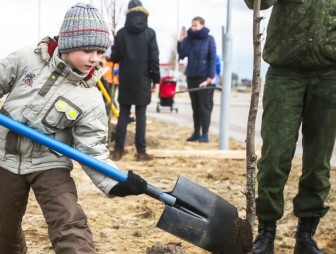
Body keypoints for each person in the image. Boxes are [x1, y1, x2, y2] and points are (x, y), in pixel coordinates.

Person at [0, 3, 147, 253]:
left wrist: (116, 183)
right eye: (88, 49)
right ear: (67, 44)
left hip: (49, 163)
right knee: (3, 227)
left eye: (100, 51)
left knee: (68, 220)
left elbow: (93, 150)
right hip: (4, 158)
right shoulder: (27, 60)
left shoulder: (89, 98)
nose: (95, 58)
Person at [244, 1, 336, 254]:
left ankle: (306, 235)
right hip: (285, 74)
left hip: (330, 74)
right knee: (275, 156)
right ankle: (267, 233)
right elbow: (257, 3)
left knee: (318, 162)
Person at [110, 0, 160, 162]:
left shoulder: (121, 33)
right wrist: (156, 80)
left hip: (126, 79)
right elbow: (154, 58)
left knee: (123, 115)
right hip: (143, 79)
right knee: (141, 115)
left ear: (128, 12)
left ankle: (118, 151)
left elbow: (115, 57)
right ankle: (141, 152)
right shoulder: (150, 33)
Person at [177, 16, 217, 143]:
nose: (193, 28)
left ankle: (205, 133)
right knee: (195, 107)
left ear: (202, 25)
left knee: (204, 107)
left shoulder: (209, 39)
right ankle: (196, 132)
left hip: (204, 78)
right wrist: (180, 41)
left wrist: (210, 77)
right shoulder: (189, 39)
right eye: (192, 25)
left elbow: (212, 58)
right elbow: (182, 55)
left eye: (196, 25)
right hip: (191, 76)